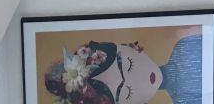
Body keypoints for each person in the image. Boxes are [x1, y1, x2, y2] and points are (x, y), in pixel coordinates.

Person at [44, 33, 202, 104]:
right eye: (127, 92)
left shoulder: (186, 46)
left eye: (129, 64)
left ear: (131, 47)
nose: (140, 79)